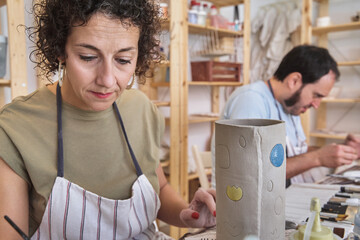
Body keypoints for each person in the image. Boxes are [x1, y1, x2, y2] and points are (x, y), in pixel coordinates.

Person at [0, 1, 216, 239]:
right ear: (61, 50)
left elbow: (161, 190)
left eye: (123, 60)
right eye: (88, 57)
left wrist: (187, 213)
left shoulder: (141, 109)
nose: (107, 80)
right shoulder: (16, 126)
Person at [211, 45, 360, 187]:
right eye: (316, 95)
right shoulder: (251, 100)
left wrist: (339, 152)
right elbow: (251, 172)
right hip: (242, 206)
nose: (316, 105)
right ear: (294, 80)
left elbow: (293, 153)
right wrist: (318, 158)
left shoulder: (291, 106)